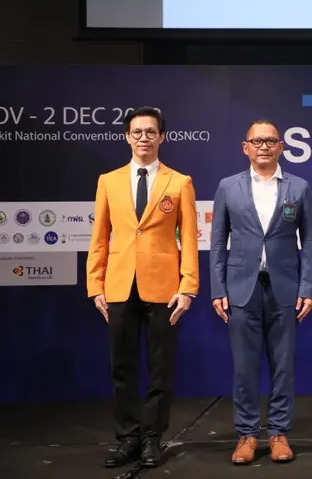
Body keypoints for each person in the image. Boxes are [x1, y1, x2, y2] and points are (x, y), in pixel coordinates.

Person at [86, 106, 199, 469]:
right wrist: (95, 284)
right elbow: (99, 238)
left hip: (165, 289)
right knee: (122, 367)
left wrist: (188, 286)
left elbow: (190, 240)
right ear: (127, 137)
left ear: (161, 137)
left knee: (160, 367)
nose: (144, 138)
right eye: (137, 132)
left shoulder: (179, 182)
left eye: (151, 132)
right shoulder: (108, 181)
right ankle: (127, 438)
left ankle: (152, 438)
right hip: (119, 286)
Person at [210, 120, 312, 465]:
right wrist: (217, 288)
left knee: (283, 367)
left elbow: (309, 242)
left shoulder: (299, 188)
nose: (264, 147)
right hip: (241, 288)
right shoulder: (228, 187)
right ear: (246, 147)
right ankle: (246, 434)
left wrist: (308, 287)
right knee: (244, 367)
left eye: (271, 141)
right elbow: (217, 242)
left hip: (285, 288)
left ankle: (278, 433)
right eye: (257, 141)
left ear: (281, 147)